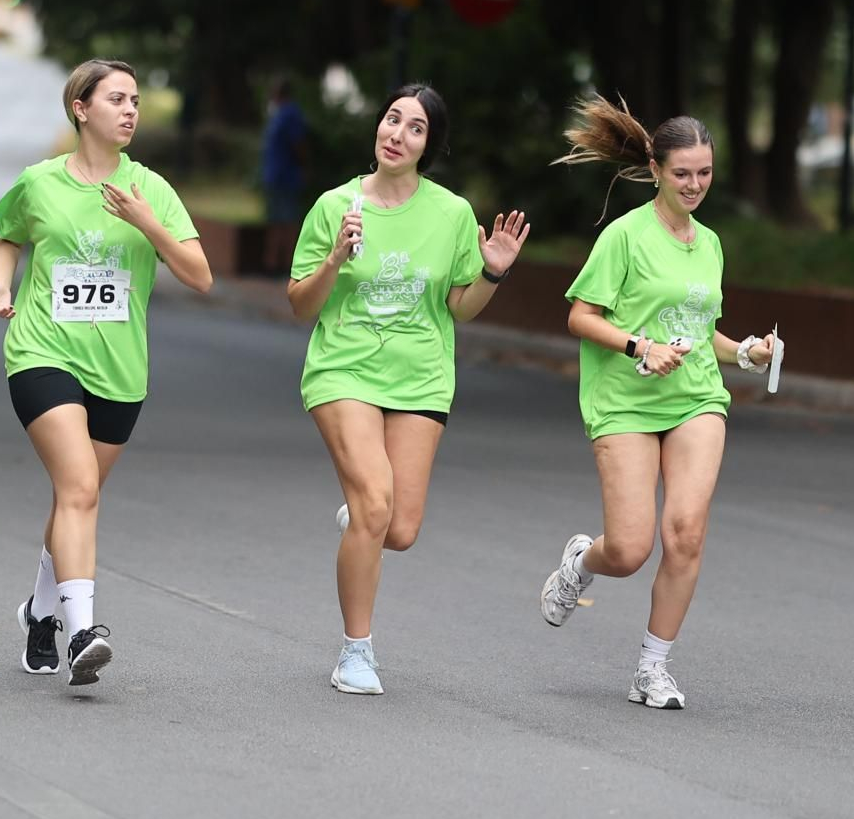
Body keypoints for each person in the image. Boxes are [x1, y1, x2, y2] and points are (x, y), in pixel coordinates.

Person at [536, 95, 779, 710]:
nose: (695, 184)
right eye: (683, 173)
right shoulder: (625, 236)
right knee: (630, 548)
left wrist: (747, 350)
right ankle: (581, 563)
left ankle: (652, 668)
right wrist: (637, 344)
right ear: (656, 168)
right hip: (625, 400)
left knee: (686, 536)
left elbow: (702, 332)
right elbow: (580, 317)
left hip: (696, 398)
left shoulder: (711, 244)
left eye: (704, 172)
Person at [287, 83, 529, 695]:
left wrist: (494, 270)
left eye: (415, 128)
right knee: (375, 505)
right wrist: (335, 259)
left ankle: (366, 515)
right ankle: (356, 653)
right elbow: (299, 305)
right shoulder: (334, 206)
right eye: (392, 120)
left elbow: (460, 307)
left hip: (421, 375)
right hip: (344, 369)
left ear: (430, 145)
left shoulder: (449, 214)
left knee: (400, 529)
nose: (397, 134)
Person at [0, 59, 212, 687]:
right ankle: (82, 630)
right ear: (81, 108)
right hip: (42, 351)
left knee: (73, 499)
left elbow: (200, 275)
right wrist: (3, 284)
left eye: (136, 100)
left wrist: (147, 224)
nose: (131, 110)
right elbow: (9, 233)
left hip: (119, 369)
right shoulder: (40, 181)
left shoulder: (152, 189)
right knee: (80, 485)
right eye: (117, 99)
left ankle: (37, 610)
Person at [259, 77, 307, 274]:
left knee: (286, 220)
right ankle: (272, 262)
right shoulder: (279, 114)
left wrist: (304, 166)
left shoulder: (289, 114)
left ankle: (285, 263)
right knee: (277, 220)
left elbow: (299, 145)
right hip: (276, 176)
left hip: (286, 176)